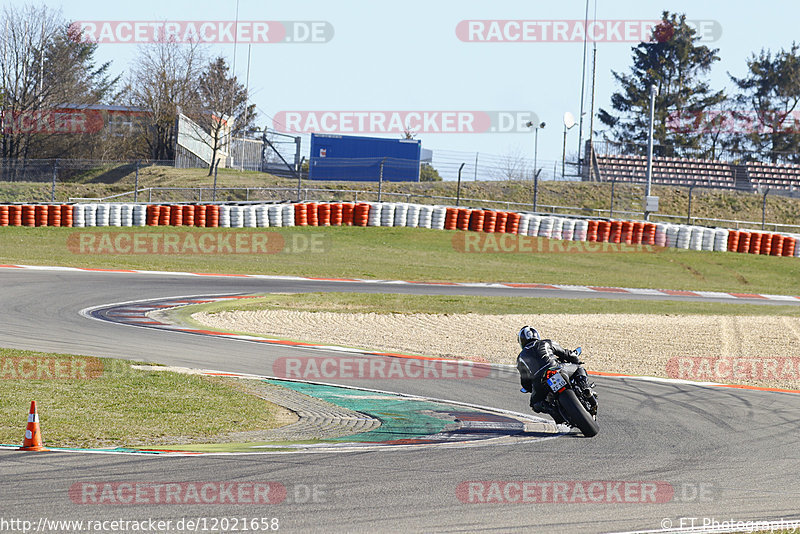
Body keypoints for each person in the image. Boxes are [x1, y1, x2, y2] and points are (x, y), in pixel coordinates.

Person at [516, 326, 590, 422]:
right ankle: (585, 387)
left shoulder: (520, 358)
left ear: (521, 341)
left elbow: (525, 381)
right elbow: (566, 353)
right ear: (536, 335)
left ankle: (550, 409)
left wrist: (530, 388)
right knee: (579, 368)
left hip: (539, 381)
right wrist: (576, 360)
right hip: (556, 369)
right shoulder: (546, 342)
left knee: (534, 404)